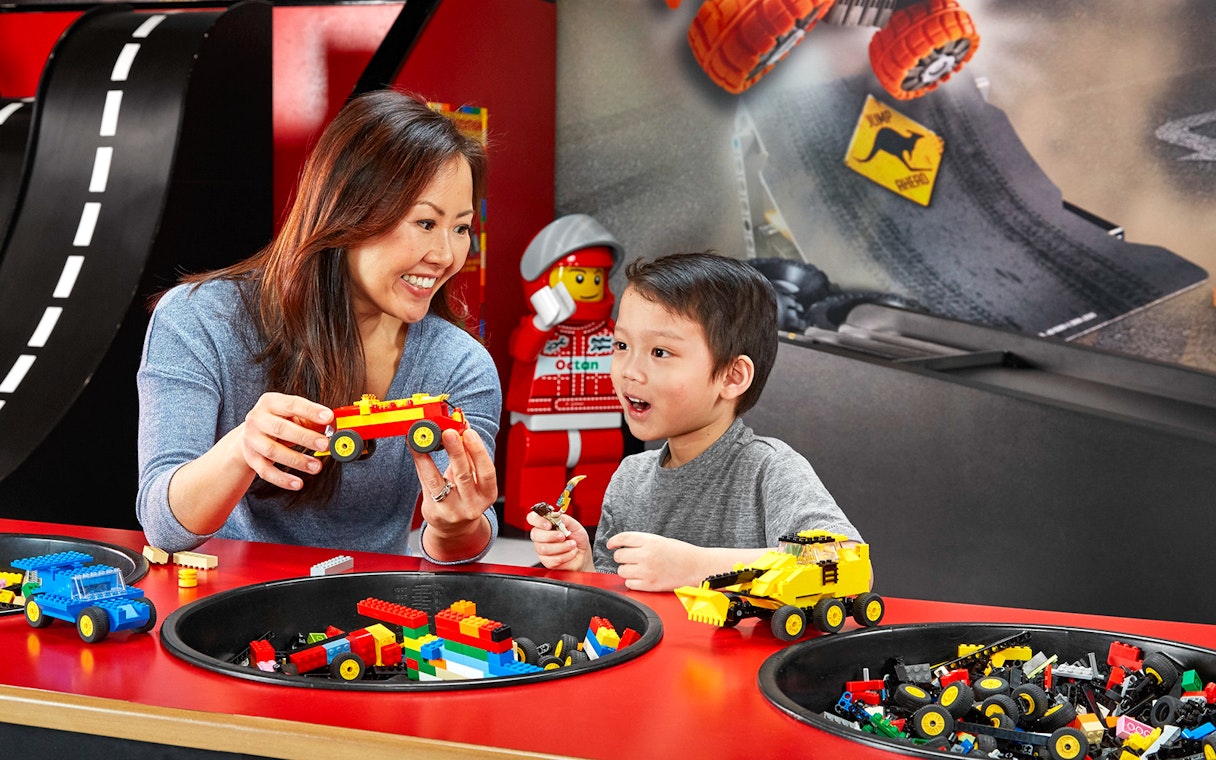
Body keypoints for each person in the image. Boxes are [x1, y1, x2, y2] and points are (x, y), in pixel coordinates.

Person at [136, 89, 500, 563]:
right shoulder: (200, 318)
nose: (448, 256)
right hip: (220, 610)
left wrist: (458, 525)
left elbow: (461, 544)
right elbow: (164, 528)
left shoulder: (460, 365)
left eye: (461, 227)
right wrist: (241, 449)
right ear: (348, 212)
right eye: (426, 223)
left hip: (370, 618)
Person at [527, 252, 861, 591]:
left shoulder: (770, 469)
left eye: (660, 352)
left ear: (732, 376)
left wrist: (697, 567)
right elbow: (619, 607)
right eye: (622, 344)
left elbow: (846, 564)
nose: (629, 370)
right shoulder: (630, 479)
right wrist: (582, 566)